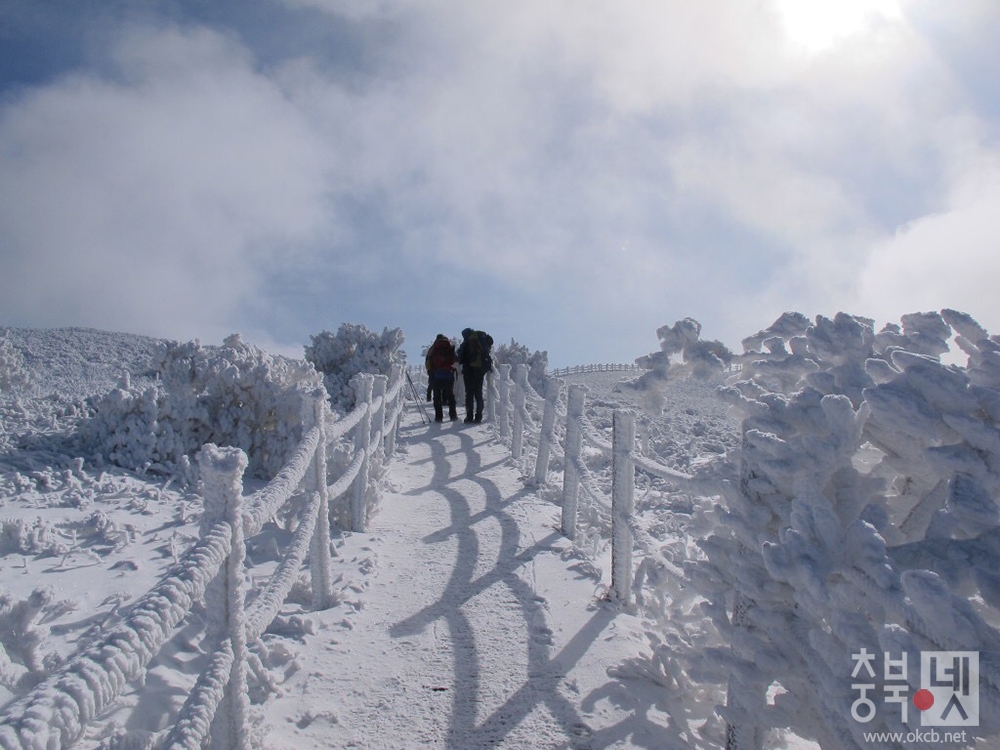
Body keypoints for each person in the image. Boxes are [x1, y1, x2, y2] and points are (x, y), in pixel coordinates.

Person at [457, 328, 493, 423]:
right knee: (478, 393)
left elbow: (459, 358)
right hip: (479, 370)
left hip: (468, 371)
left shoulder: (466, 343)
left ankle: (469, 417)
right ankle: (479, 416)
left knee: (469, 394)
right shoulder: (481, 340)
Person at [424, 334, 458, 422]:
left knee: (437, 396)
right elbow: (455, 359)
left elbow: (428, 360)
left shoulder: (433, 348)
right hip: (448, 375)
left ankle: (439, 417)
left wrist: (430, 371)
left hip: (437, 375)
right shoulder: (448, 346)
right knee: (450, 395)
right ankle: (453, 415)